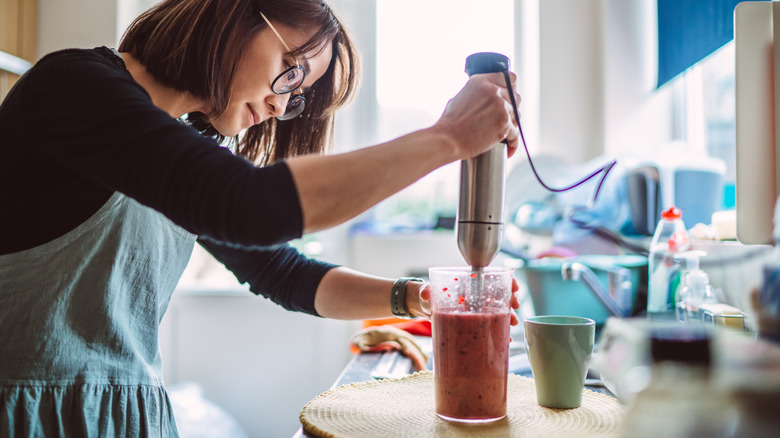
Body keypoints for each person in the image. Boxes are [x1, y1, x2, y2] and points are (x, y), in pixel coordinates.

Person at [0, 0, 521, 435]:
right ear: (234, 15)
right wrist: (448, 137)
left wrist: (415, 298)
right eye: (291, 71)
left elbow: (283, 273)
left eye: (296, 95)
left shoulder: (185, 146)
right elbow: (249, 205)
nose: (281, 102)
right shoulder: (73, 86)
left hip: (127, 418)